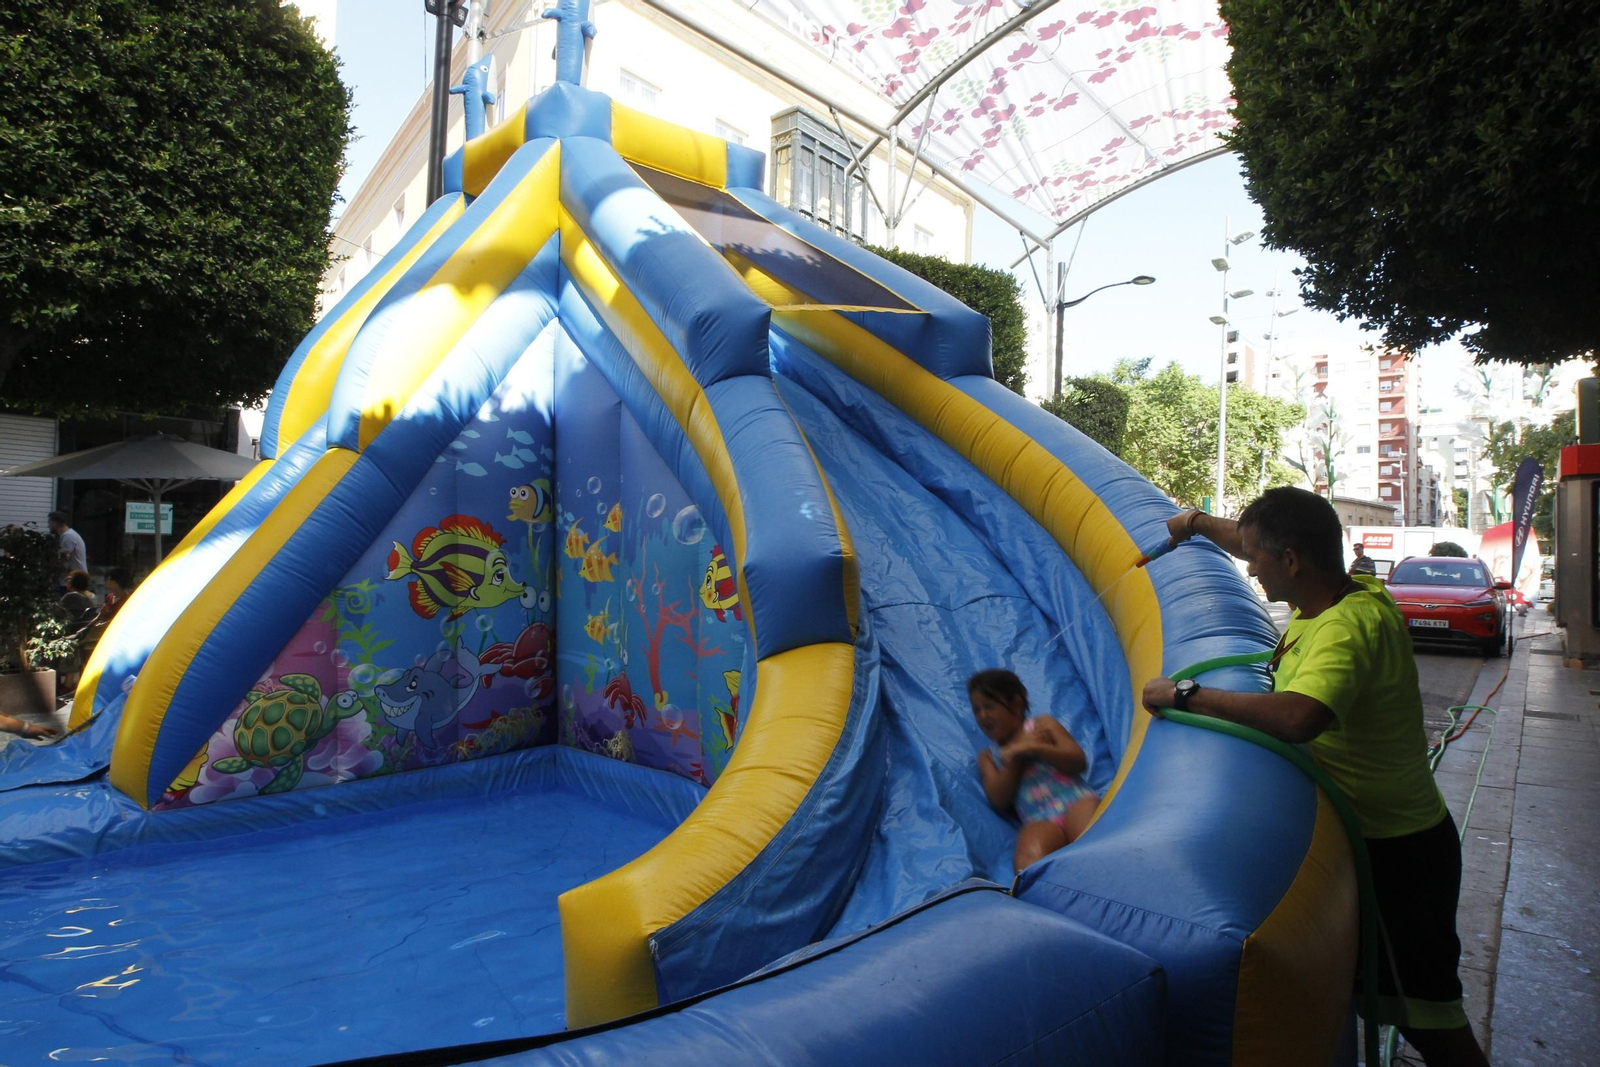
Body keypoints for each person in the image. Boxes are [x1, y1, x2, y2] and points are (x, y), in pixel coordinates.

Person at [1140, 488, 1489, 1067]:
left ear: (1293, 561)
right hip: (1378, 846)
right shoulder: (1333, 593)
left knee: (1428, 1018)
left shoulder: (1344, 630)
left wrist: (1185, 692)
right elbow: (1257, 539)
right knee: (1385, 999)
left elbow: (1300, 717)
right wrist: (1195, 523)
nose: (1248, 568)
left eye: (1256, 559)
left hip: (1399, 858)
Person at [970, 668, 1100, 873]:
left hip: (1075, 801)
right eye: (976, 709)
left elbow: (1078, 761)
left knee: (1090, 837)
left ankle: (1099, 869)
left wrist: (1037, 748)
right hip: (1039, 818)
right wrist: (1017, 759)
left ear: (1016, 703)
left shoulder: (1042, 725)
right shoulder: (988, 756)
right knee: (1027, 862)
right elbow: (999, 800)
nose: (983, 716)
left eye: (989, 706)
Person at [47, 511, 86, 585]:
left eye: (50, 522)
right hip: (74, 579)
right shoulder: (69, 535)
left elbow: (64, 558)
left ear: (56, 523)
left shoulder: (68, 536)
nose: (48, 525)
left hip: (75, 581)